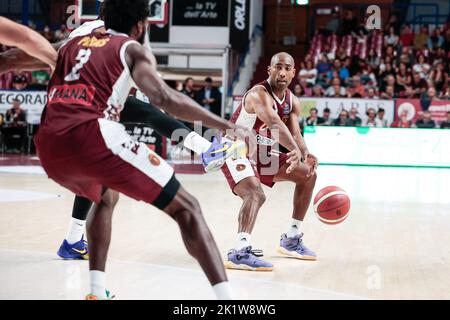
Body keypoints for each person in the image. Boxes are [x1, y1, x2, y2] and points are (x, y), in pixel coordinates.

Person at [35, 0, 251, 299]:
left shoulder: (79, 35)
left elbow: (37, 55)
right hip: (94, 106)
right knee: (153, 114)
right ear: (140, 23)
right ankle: (205, 148)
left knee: (101, 187)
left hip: (57, 121)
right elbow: (164, 96)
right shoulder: (122, 42)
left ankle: (74, 242)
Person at [221, 52, 318, 271]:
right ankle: (239, 251)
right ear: (270, 70)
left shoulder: (293, 101)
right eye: (278, 67)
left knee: (308, 175)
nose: (282, 72)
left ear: (293, 72)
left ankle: (291, 239)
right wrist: (293, 149)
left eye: (287, 68)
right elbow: (274, 122)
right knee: (255, 193)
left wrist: (305, 154)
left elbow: (295, 133)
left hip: (260, 153)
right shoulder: (258, 94)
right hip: (234, 148)